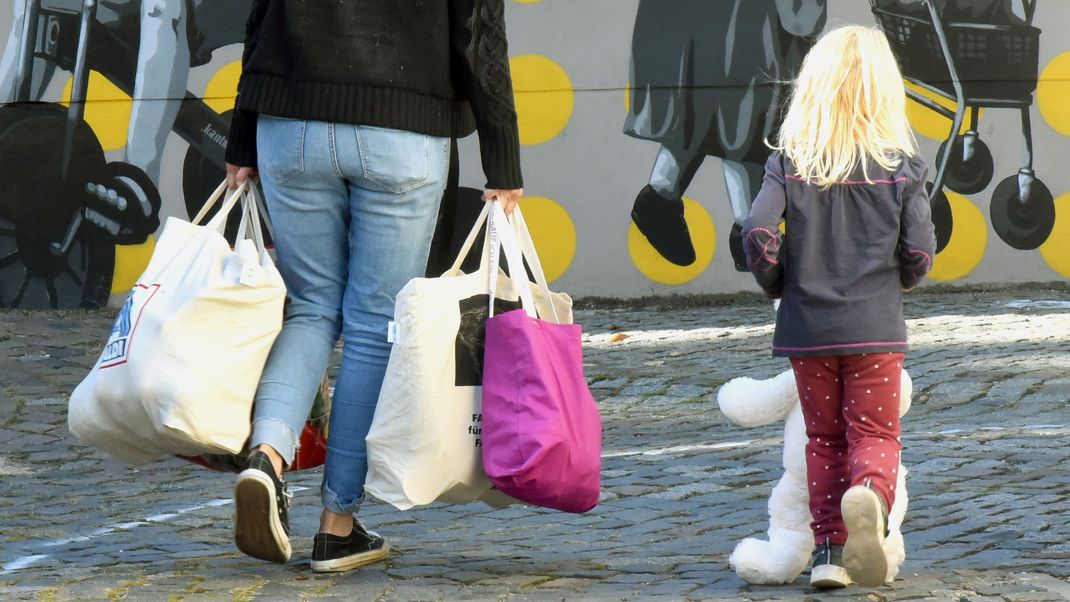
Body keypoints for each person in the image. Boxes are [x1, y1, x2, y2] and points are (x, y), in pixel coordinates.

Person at [223, 0, 523, 572]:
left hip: (290, 122)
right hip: (402, 127)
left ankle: (266, 457)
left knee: (309, 308)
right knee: (373, 326)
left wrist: (241, 138)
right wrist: (502, 159)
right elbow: (479, 32)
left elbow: (261, 19)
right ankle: (337, 527)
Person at [741, 26, 936, 588]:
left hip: (808, 329)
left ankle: (829, 555)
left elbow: (757, 230)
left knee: (821, 439)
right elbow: (920, 249)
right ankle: (870, 498)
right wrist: (906, 277)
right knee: (874, 433)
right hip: (875, 327)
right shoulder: (902, 165)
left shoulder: (790, 162)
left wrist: (777, 281)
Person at [624, 0, 826, 269]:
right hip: (749, 47)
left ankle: (661, 196)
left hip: (688, 33)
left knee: (698, 113)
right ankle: (750, 229)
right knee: (744, 123)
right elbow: (801, 20)